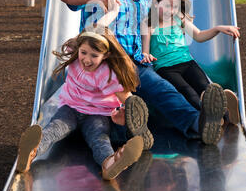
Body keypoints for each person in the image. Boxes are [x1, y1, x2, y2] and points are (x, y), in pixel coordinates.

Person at [60, 0, 229, 146]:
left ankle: (199, 125)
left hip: (136, 64)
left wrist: (179, 21)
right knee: (119, 102)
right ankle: (133, 135)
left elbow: (154, 27)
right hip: (106, 62)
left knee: (164, 88)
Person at [16, 26, 154, 180]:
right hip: (70, 108)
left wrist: (126, 112)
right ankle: (30, 153)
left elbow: (128, 99)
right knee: (54, 128)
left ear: (106, 55)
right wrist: (96, 28)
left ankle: (110, 164)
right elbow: (87, 37)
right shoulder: (75, 56)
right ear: (79, 48)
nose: (87, 59)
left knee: (99, 139)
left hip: (97, 114)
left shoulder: (107, 74)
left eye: (94, 55)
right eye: (84, 52)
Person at [141, 0, 240, 124]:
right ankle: (213, 117)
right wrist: (146, 55)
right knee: (187, 91)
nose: (171, 10)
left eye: (175, 6)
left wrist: (218, 28)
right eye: (167, 6)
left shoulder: (179, 18)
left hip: (187, 62)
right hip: (166, 68)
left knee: (205, 88)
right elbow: (145, 50)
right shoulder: (149, 23)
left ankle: (226, 114)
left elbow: (199, 35)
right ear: (156, 3)